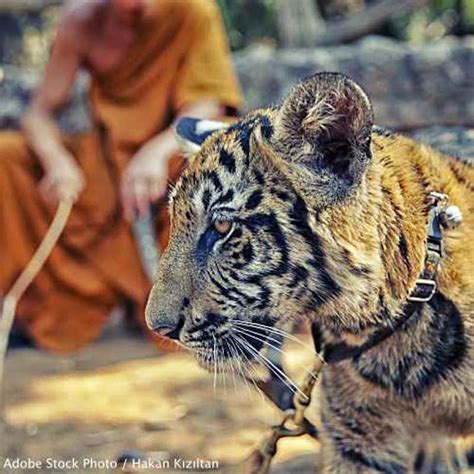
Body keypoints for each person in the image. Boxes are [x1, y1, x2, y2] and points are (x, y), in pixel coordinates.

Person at [0, 0, 242, 353]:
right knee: (7, 157)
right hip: (104, 167)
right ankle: (36, 310)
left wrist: (157, 152)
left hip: (173, 157)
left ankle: (204, 307)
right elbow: (38, 113)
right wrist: (57, 162)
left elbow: (208, 106)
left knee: (220, 158)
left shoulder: (192, 11)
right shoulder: (80, 21)